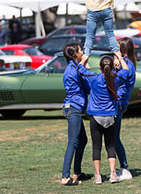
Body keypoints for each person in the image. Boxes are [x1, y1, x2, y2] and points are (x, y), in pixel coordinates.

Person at [79, 54, 129, 184]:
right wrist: (120, 58)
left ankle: (98, 176)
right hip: (110, 116)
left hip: (95, 117)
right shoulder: (116, 78)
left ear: (100, 68)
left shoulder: (94, 78)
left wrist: (85, 58)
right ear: (112, 67)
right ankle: (113, 174)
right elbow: (127, 71)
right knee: (110, 145)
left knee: (96, 147)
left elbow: (80, 69)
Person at [60, 43, 92, 186]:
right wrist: (85, 66)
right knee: (73, 142)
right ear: (75, 55)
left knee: (82, 140)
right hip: (73, 108)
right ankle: (65, 177)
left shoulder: (73, 67)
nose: (82, 52)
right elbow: (89, 82)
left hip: (74, 108)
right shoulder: (74, 70)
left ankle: (77, 173)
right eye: (80, 51)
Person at [114, 37, 136, 181]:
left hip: (119, 102)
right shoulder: (129, 62)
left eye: (117, 47)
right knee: (113, 137)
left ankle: (124, 167)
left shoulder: (126, 65)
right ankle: (122, 166)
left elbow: (117, 83)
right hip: (122, 102)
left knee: (114, 138)